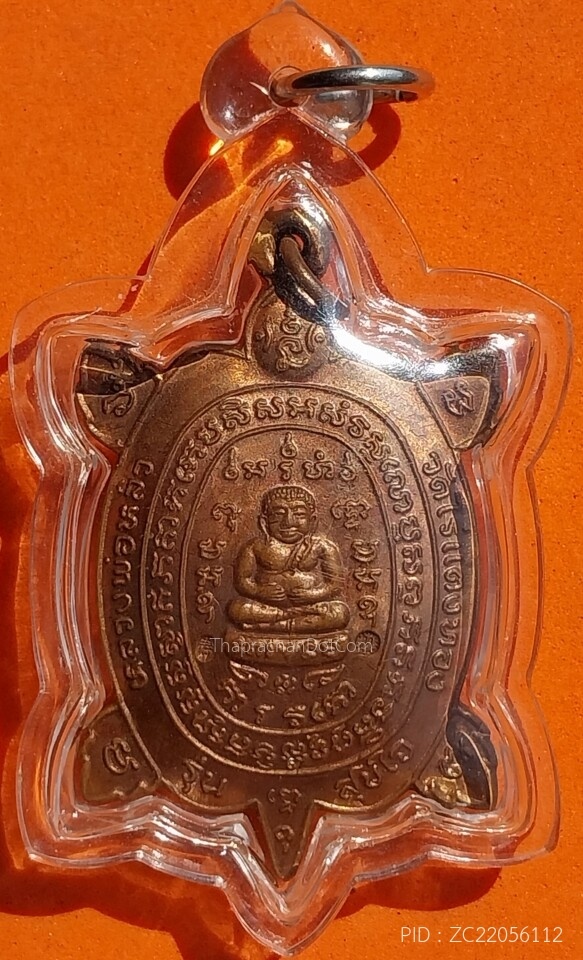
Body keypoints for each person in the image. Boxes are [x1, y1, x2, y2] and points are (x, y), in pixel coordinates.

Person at [228, 485, 349, 634]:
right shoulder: (256, 546)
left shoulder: (322, 547)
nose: (288, 522)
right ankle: (286, 620)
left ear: (312, 520)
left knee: (339, 613)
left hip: (310, 607)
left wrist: (313, 595)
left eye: (299, 514)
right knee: (237, 608)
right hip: (268, 608)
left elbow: (335, 585)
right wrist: (259, 592)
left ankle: (276, 626)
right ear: (264, 521)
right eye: (278, 514)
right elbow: (242, 581)